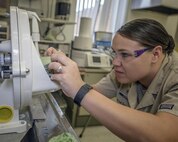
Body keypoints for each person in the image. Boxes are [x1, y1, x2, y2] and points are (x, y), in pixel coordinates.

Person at [46, 18, 178, 142]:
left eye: (125, 54)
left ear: (155, 54)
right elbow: (93, 93)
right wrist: (63, 76)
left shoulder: (174, 76)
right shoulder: (121, 73)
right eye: (114, 53)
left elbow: (164, 134)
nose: (115, 62)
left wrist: (79, 89)